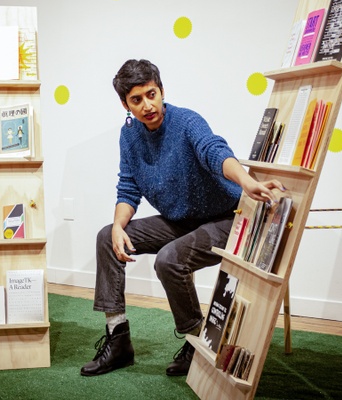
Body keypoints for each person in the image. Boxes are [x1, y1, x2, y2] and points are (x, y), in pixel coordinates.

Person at [80, 59, 284, 377]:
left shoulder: (187, 121)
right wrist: (119, 226)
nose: (147, 105)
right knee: (108, 236)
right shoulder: (129, 136)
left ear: (161, 90)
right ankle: (117, 339)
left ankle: (197, 339)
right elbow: (128, 186)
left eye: (151, 94)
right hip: (181, 220)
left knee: (169, 260)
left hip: (227, 219)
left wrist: (246, 181)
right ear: (125, 104)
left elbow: (214, 151)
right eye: (137, 99)